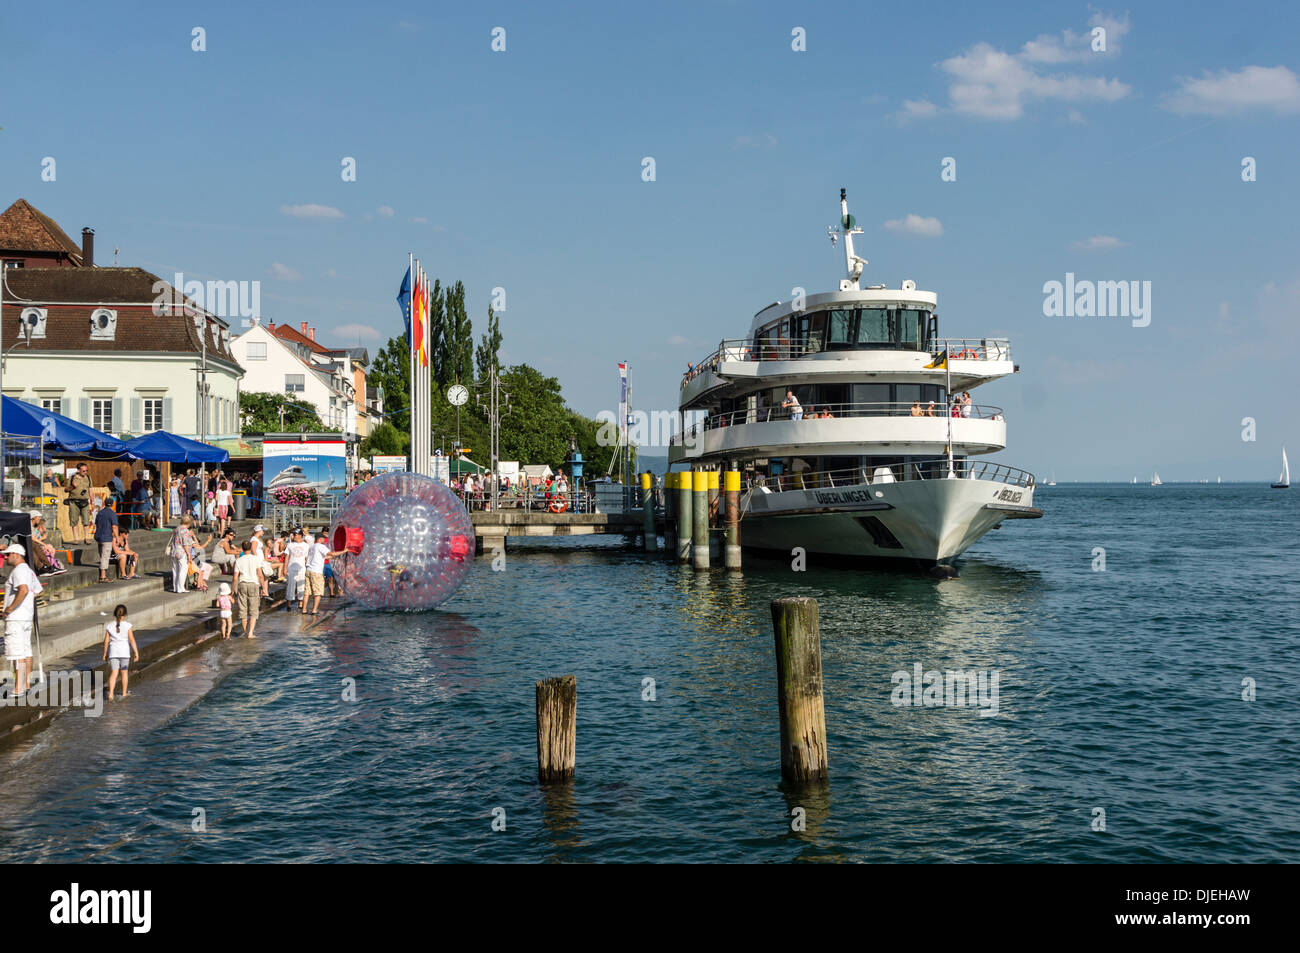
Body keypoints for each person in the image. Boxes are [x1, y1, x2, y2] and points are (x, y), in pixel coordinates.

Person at [2, 543, 42, 694]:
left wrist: (10, 608)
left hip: (16, 618)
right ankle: (25, 684)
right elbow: (37, 590)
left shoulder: (18, 570)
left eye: (8, 554)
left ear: (16, 555)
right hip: (26, 616)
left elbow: (24, 589)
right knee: (26, 651)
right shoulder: (29, 571)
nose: (5, 557)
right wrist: (25, 603)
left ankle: (18, 688)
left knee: (17, 653)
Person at [101, 604, 138, 701]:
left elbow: (106, 641)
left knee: (114, 673)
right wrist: (136, 652)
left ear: (114, 614)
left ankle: (111, 694)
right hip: (124, 653)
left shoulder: (109, 626)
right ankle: (124, 693)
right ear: (125, 615)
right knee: (124, 673)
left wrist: (105, 653)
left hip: (113, 652)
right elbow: (132, 640)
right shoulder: (128, 625)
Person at [233, 540, 266, 638]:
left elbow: (235, 577)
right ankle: (250, 633)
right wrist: (263, 588)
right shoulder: (255, 559)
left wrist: (232, 590)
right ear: (251, 548)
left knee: (243, 609)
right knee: (253, 609)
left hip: (242, 583)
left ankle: (245, 631)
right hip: (253, 584)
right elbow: (260, 575)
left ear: (242, 548)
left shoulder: (239, 560)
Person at [302, 533, 338, 615]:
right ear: (320, 538)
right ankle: (314, 610)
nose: (324, 540)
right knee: (318, 592)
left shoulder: (312, 547)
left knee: (307, 592)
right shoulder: (321, 546)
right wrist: (344, 551)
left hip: (308, 570)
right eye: (323, 538)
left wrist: (332, 557)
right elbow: (332, 553)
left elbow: (320, 557)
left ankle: (304, 609)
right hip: (316, 571)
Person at [93, 495, 119, 584]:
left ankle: (102, 574)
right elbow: (114, 526)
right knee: (105, 557)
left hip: (98, 536)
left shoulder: (99, 513)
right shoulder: (112, 513)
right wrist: (117, 538)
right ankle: (103, 577)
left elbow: (96, 523)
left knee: (101, 555)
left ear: (104, 504)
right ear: (112, 504)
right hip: (107, 537)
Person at [167, 516, 197, 593]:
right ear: (189, 523)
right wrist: (189, 554)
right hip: (181, 552)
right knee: (183, 569)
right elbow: (185, 544)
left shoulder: (176, 529)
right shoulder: (185, 531)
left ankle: (175, 587)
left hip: (174, 551)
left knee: (175, 570)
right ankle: (180, 588)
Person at [66, 462, 92, 544]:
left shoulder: (88, 477)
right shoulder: (72, 477)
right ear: (78, 470)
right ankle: (76, 539)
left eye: (86, 470)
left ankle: (86, 538)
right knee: (74, 520)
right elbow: (66, 490)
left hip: (85, 501)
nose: (85, 472)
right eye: (83, 471)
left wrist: (92, 501)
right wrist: (72, 487)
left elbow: (90, 489)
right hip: (74, 501)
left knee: (86, 520)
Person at [284, 529, 310, 609]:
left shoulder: (306, 545)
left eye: (295, 535)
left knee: (301, 586)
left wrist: (308, 568)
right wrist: (285, 568)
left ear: (300, 535)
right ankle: (288, 604)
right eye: (294, 534)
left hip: (301, 568)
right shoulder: (290, 545)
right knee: (290, 586)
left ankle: (300, 603)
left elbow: (307, 558)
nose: (294, 536)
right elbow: (287, 557)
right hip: (291, 568)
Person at [249, 525, 270, 597]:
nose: (263, 532)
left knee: (265, 576)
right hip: (258, 561)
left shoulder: (257, 539)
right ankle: (262, 592)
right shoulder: (254, 539)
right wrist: (257, 561)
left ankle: (265, 592)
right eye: (262, 530)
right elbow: (254, 551)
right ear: (259, 531)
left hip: (261, 560)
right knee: (260, 576)